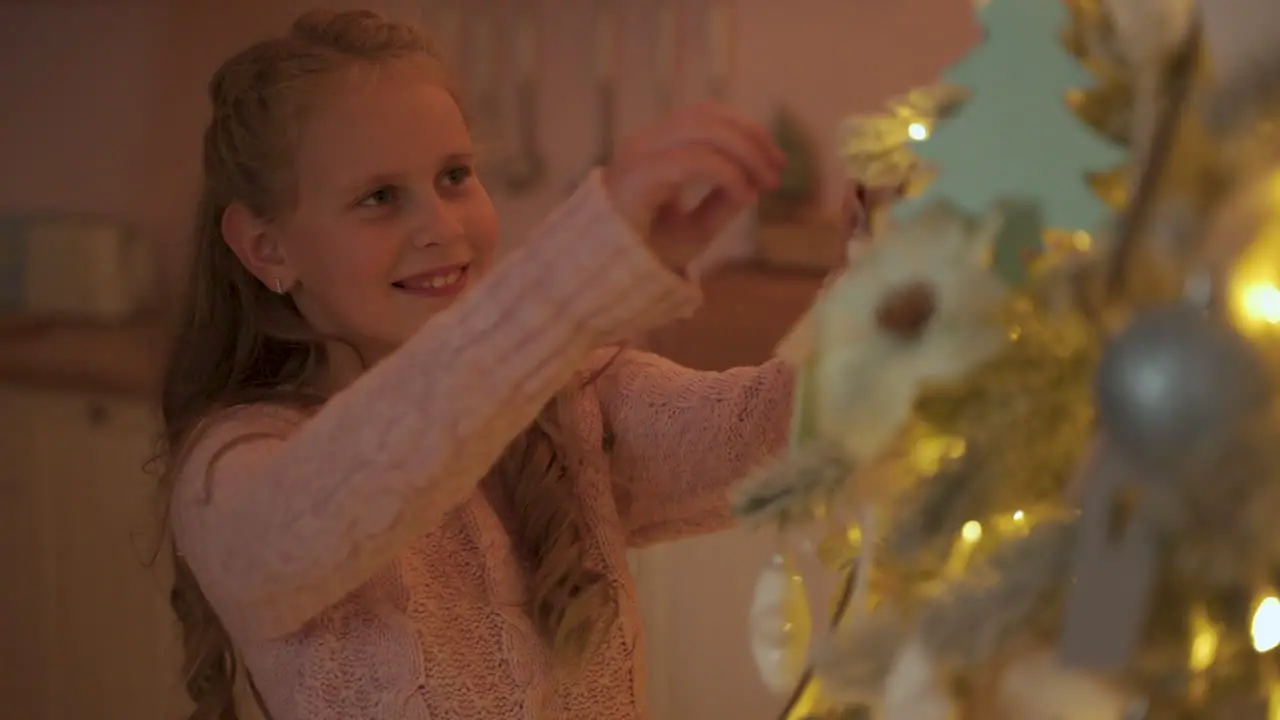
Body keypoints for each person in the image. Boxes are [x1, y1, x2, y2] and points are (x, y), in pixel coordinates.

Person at [158, 8, 795, 720]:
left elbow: (783, 431)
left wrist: (896, 278)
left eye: (455, 176)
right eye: (378, 198)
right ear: (267, 248)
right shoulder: (234, 468)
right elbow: (341, 493)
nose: (442, 227)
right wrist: (581, 268)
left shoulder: (576, 397)